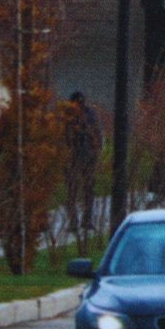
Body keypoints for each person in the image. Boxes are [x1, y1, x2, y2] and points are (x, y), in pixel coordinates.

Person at [63, 91, 102, 236]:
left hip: (85, 156)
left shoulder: (87, 115)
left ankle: (86, 220)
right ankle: (75, 221)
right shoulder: (70, 116)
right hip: (75, 157)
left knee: (87, 189)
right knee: (74, 190)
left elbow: (96, 134)